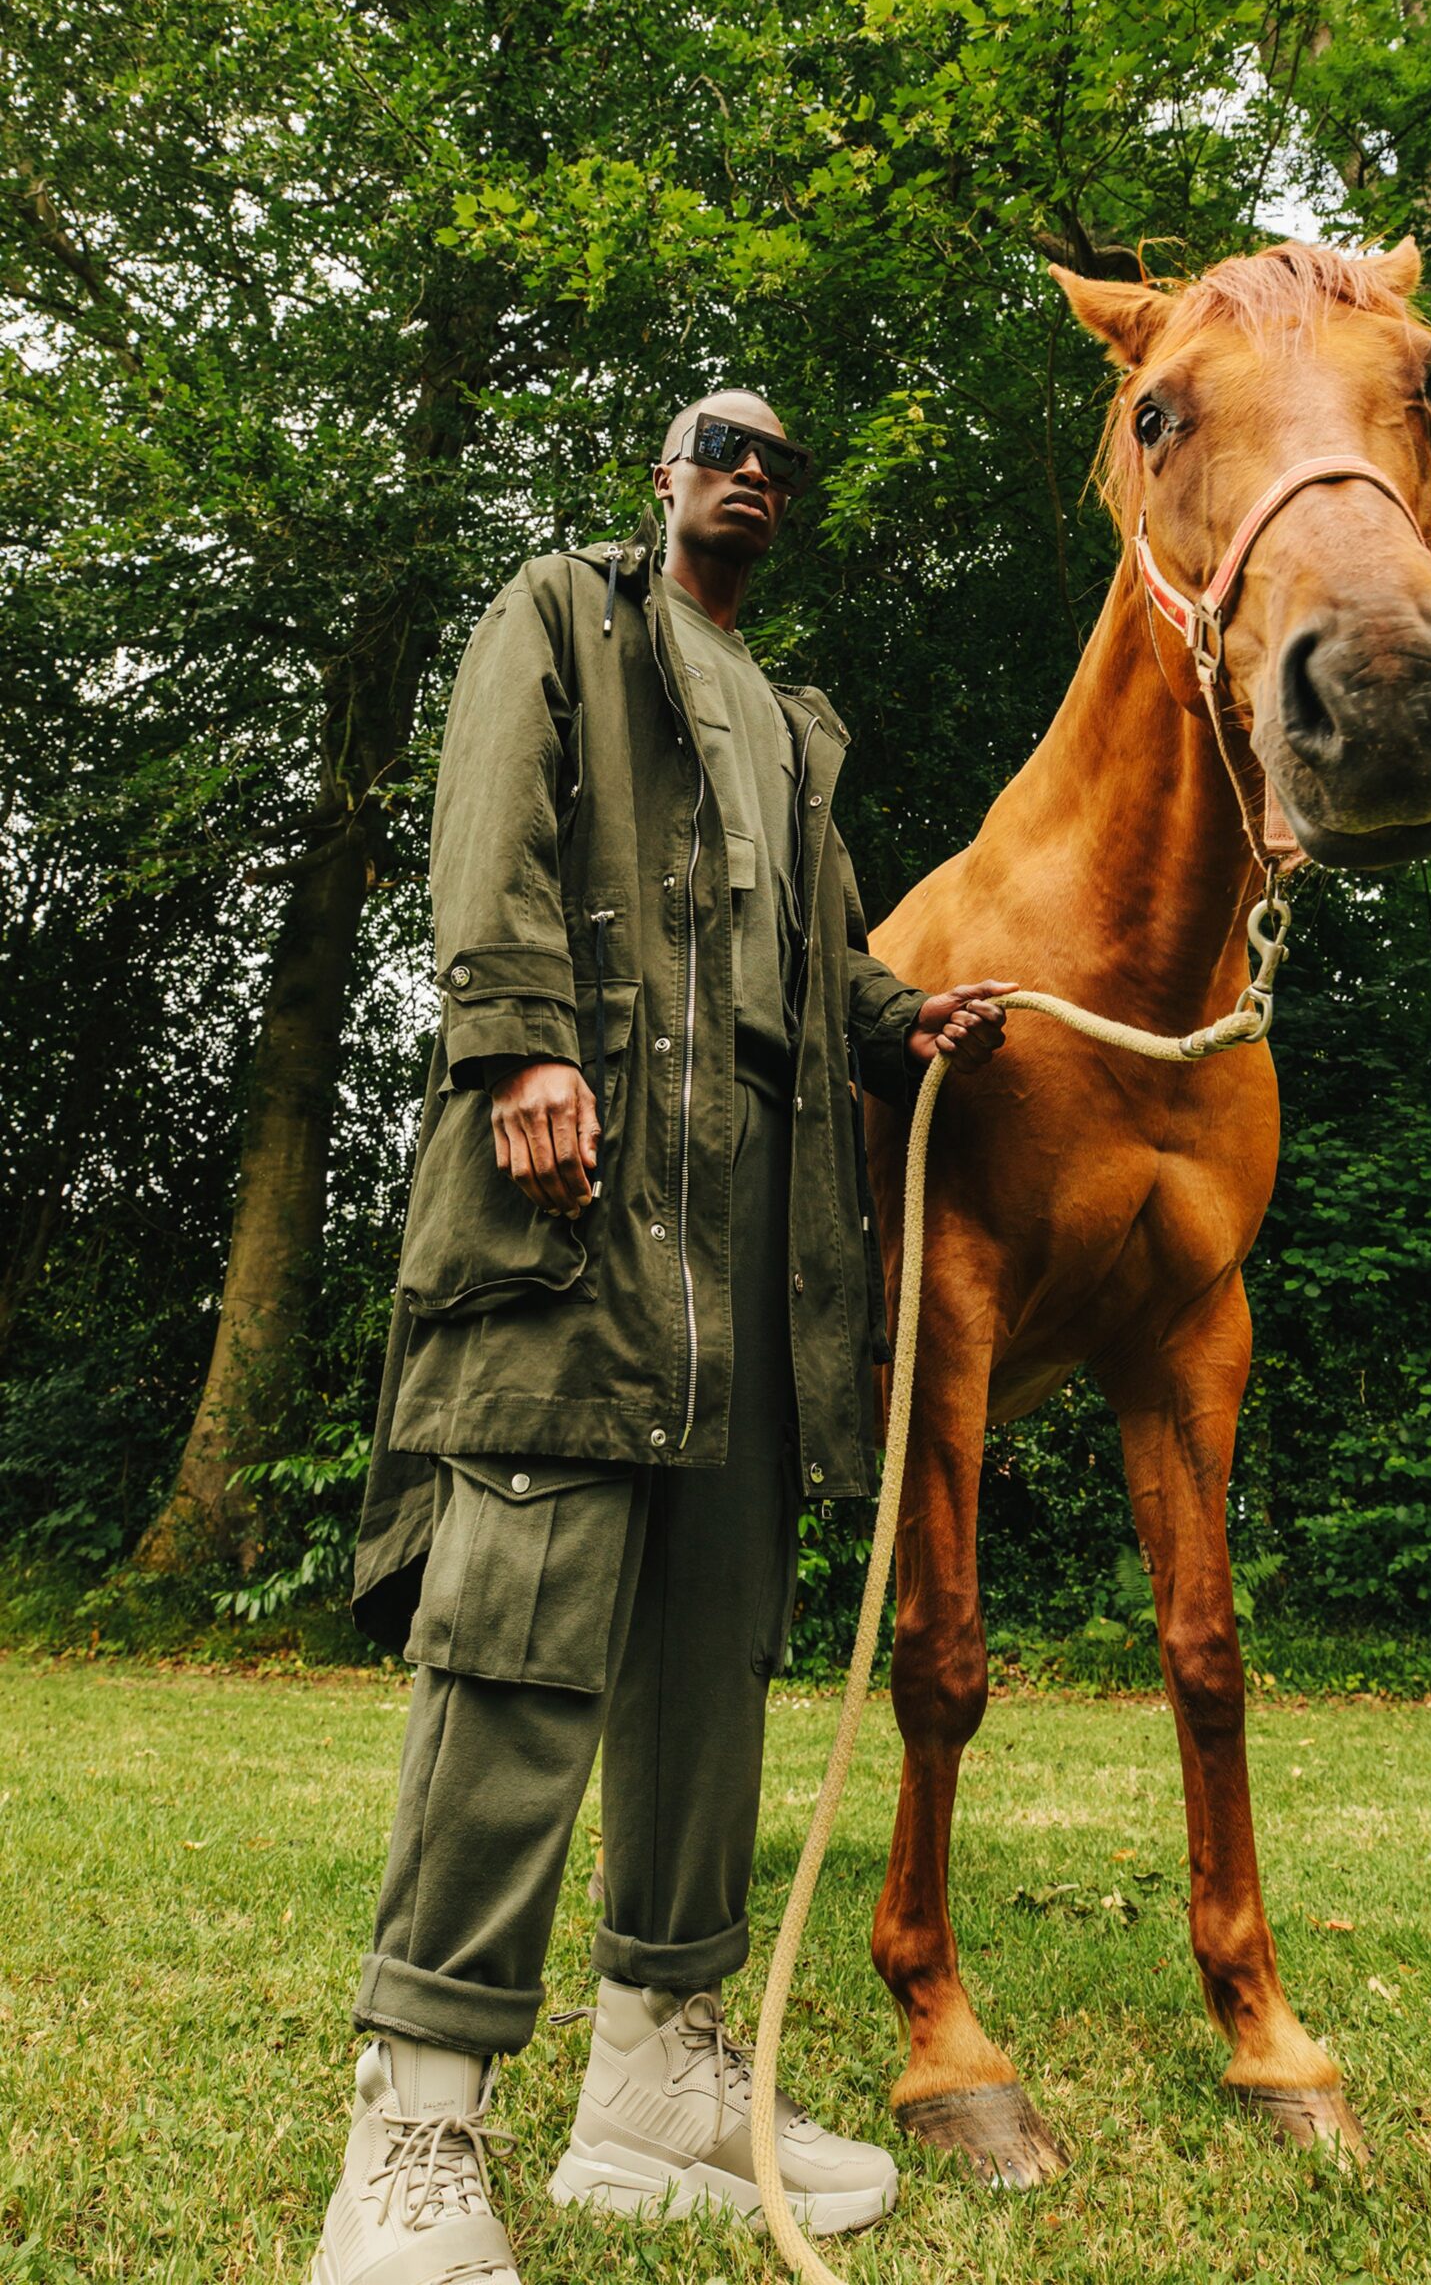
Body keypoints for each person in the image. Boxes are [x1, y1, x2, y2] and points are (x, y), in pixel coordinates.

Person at [312, 389, 1013, 2285]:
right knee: (521, 1641)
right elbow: (489, 827)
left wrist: (901, 1024)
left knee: (712, 1663)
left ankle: (656, 2082)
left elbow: (820, 953)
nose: (755, 471)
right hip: (580, 1215)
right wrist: (515, 1033)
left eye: (783, 458)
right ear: (664, 475)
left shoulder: (795, 731)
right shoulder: (558, 616)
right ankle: (417, 2131)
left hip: (766, 1275)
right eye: (725, 441)